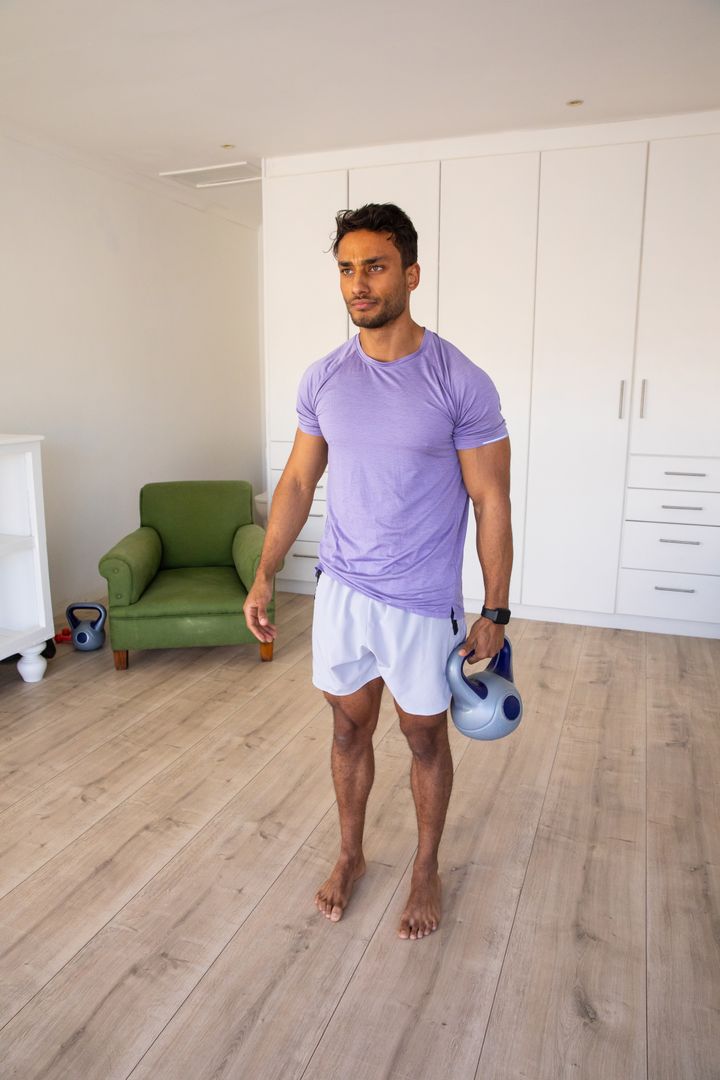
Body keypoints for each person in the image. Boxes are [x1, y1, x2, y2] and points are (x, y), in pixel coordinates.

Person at [244, 203, 512, 941]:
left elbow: (491, 499)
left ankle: (426, 866)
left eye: (375, 266)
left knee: (424, 738)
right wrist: (265, 573)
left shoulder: (460, 380)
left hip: (422, 603)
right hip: (343, 591)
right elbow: (298, 481)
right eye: (346, 269)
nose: (358, 283)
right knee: (346, 728)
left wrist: (495, 609)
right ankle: (351, 854)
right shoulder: (325, 378)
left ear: (411, 274)